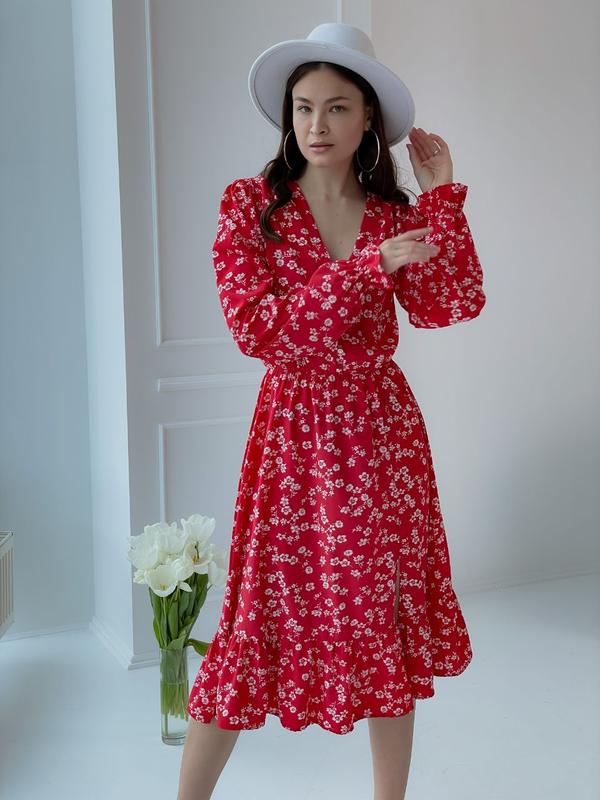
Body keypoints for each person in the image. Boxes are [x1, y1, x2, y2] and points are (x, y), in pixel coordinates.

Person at [177, 22, 486, 800]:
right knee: (255, 618)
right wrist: (362, 272)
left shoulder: (392, 214)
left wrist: (442, 198)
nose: (317, 125)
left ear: (368, 118)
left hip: (383, 437)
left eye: (337, 107)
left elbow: (449, 305)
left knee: (382, 613)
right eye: (304, 107)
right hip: (294, 433)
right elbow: (259, 330)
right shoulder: (251, 205)